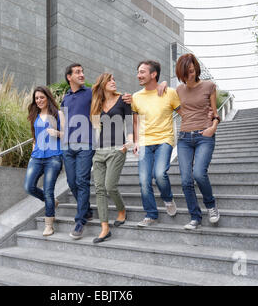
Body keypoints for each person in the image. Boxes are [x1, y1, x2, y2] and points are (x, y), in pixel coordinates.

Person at [61, 63, 132, 240]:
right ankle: (88, 211)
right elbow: (64, 118)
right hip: (71, 146)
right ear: (69, 77)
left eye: (83, 71)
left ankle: (81, 220)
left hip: (89, 144)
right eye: (77, 72)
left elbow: (109, 93)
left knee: (85, 182)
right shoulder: (66, 97)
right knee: (72, 182)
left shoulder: (91, 94)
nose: (82, 74)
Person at [131, 60, 181, 227]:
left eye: (142, 72)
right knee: (144, 180)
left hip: (164, 140)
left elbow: (184, 113)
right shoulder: (136, 97)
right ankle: (151, 214)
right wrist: (136, 141)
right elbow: (136, 121)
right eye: (138, 72)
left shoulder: (170, 93)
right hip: (145, 142)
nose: (138, 75)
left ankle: (167, 198)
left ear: (153, 74)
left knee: (159, 174)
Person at [175, 53, 220, 230]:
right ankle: (195, 217)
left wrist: (213, 127)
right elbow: (174, 106)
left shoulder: (209, 86)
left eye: (192, 71)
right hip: (184, 137)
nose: (190, 75)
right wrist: (163, 83)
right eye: (186, 73)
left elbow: (215, 113)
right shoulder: (178, 90)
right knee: (186, 180)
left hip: (204, 135)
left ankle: (211, 206)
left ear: (196, 68)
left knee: (199, 173)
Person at [89, 73, 133, 243]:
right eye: (110, 80)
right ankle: (104, 228)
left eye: (114, 79)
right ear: (102, 84)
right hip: (99, 151)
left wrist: (128, 142)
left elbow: (129, 122)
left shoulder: (123, 99)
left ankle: (121, 210)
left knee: (110, 186)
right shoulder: (97, 104)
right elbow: (95, 128)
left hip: (117, 149)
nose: (113, 82)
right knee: (99, 189)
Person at [24, 86, 65, 236]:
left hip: (53, 157)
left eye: (42, 97)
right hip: (36, 157)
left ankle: (49, 225)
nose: (39, 100)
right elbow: (34, 137)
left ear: (47, 97)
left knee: (48, 190)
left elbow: (67, 135)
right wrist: (32, 153)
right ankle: (51, 202)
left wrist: (57, 133)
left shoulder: (58, 114)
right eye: (36, 98)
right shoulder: (35, 116)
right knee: (29, 186)